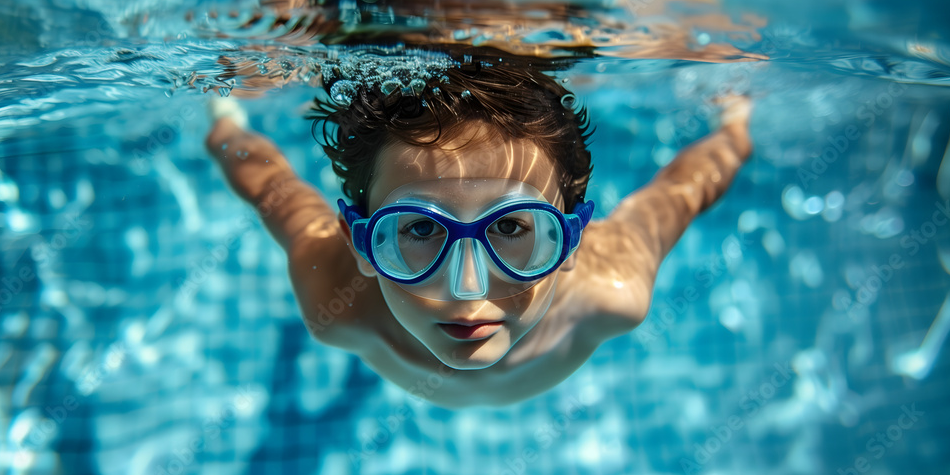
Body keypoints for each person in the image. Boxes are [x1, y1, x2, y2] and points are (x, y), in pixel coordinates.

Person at [205, 50, 753, 408]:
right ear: (360, 245)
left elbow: (687, 189)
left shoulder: (613, 293)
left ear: (571, 240)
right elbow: (270, 190)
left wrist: (736, 125)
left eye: (512, 226)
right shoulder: (339, 307)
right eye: (419, 229)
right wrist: (223, 119)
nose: (469, 288)